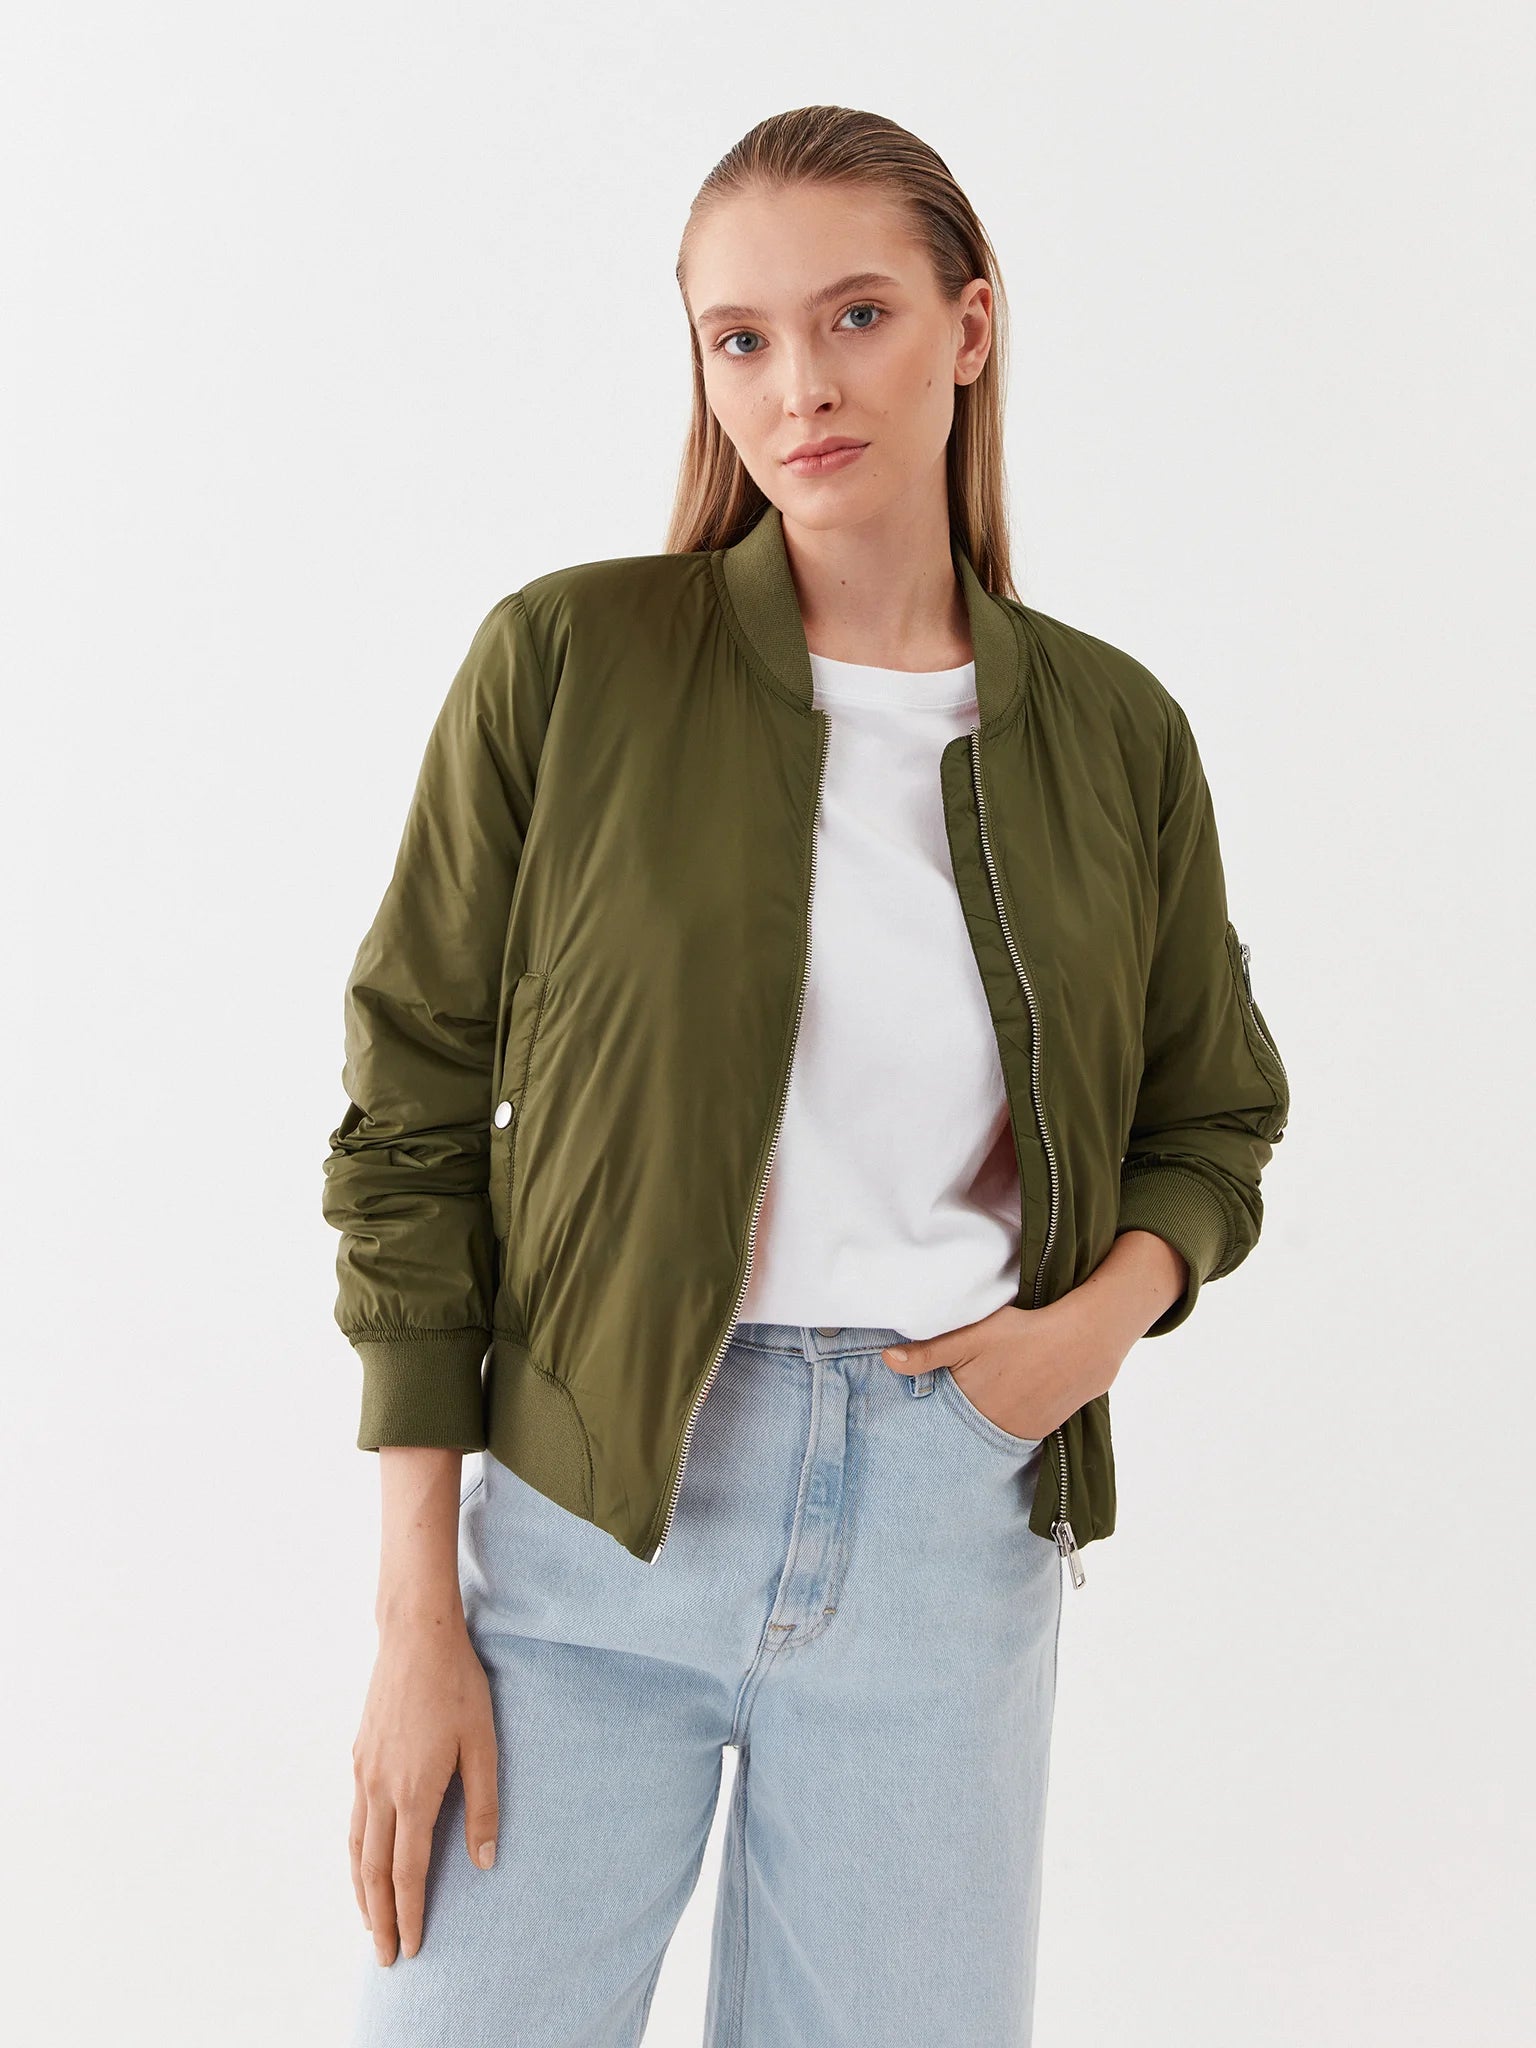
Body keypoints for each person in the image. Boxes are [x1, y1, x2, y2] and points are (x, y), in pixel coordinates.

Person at [322, 103, 1290, 2048]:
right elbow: (409, 1108)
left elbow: (1214, 1120)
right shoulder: (569, 662)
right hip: (596, 1511)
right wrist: (418, 1607)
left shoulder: (1114, 734)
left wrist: (1089, 1329)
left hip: (951, 1518)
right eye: (740, 338)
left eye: (856, 315)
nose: (800, 385)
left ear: (969, 326)